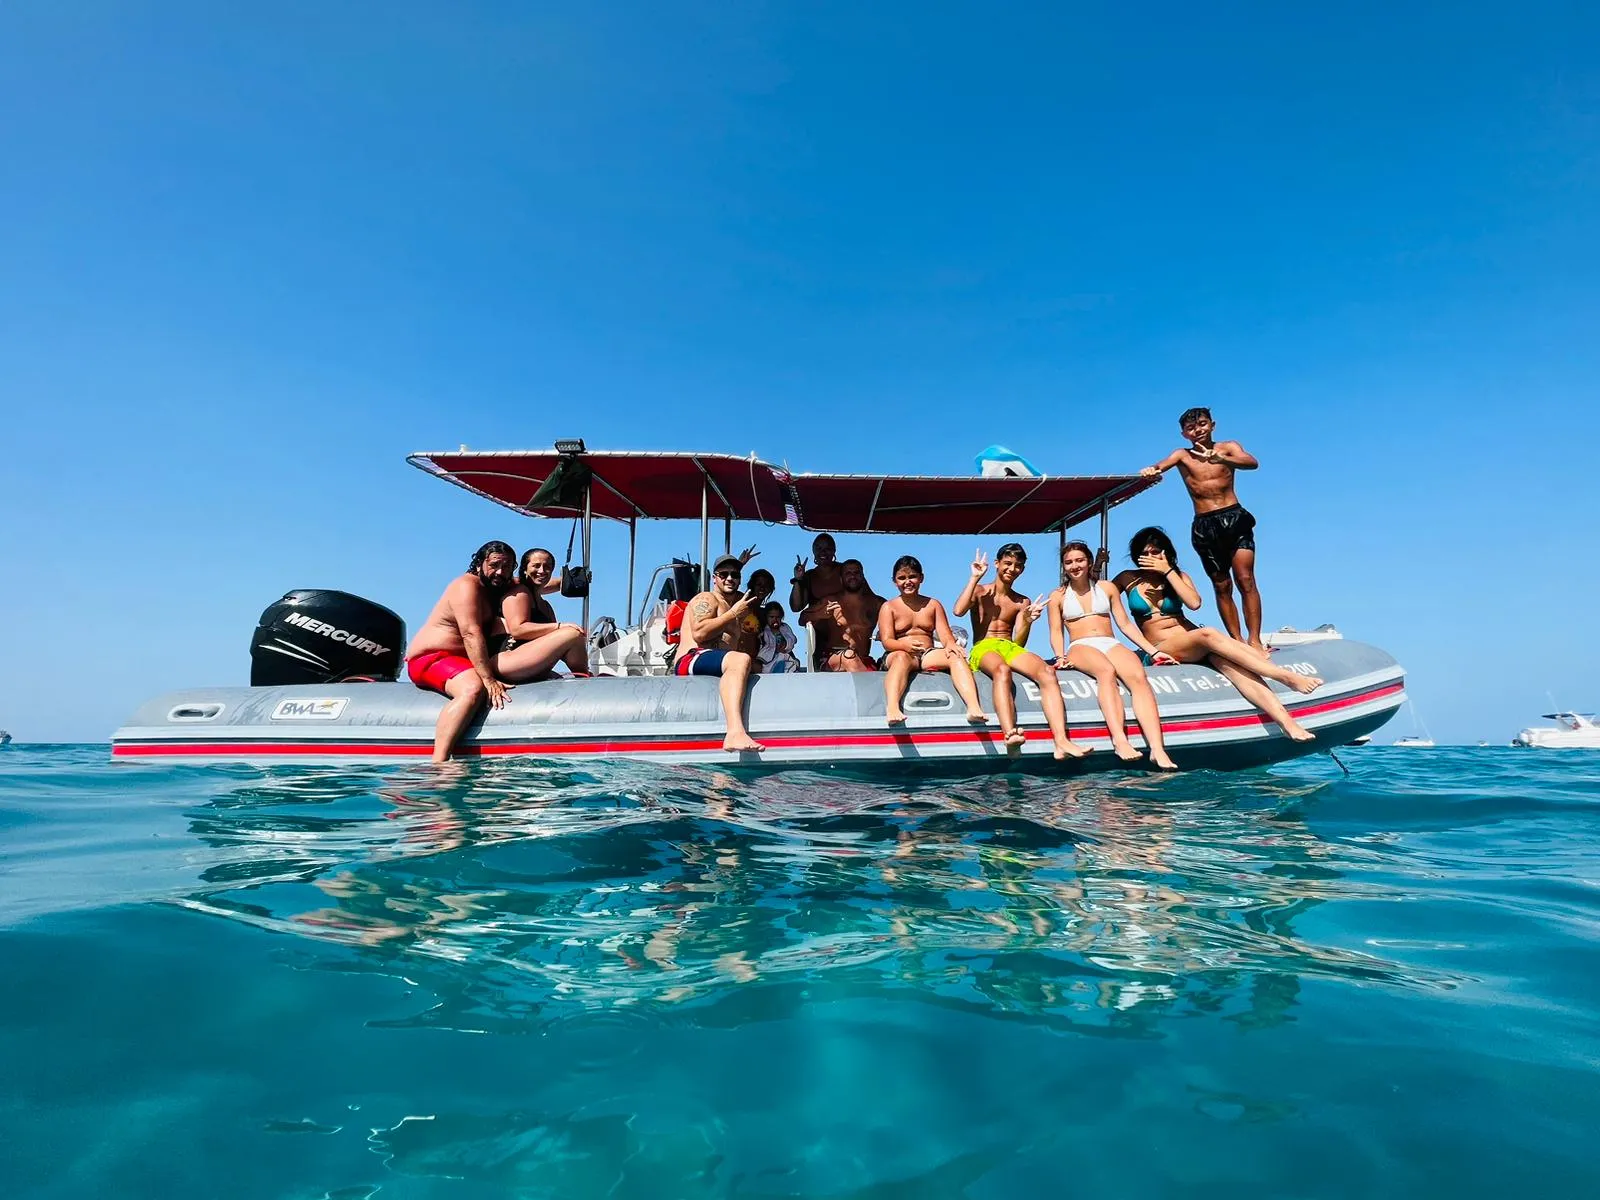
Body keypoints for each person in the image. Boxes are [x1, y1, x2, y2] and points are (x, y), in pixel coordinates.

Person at [1113, 527, 1323, 742]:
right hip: (1163, 646)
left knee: (1237, 671)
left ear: (1166, 553)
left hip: (1195, 641)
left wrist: (1167, 572)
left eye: (1156, 552)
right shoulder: (1127, 579)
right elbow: (1099, 594)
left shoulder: (1178, 576)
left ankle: (1289, 725)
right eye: (1145, 553)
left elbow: (1194, 603)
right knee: (1208, 633)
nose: (1150, 557)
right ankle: (1284, 676)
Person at [1141, 406, 1269, 650]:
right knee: (1221, 585)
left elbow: (1252, 463)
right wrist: (1150, 470)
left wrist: (1222, 459)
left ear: (1212, 425)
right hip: (1204, 524)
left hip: (1234, 517)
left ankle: (1255, 639)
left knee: (1245, 579)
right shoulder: (1182, 455)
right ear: (1184, 434)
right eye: (1191, 428)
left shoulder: (1228, 447)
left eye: (1201, 424)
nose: (1197, 430)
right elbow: (1159, 466)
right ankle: (1237, 640)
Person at [1046, 540, 1179, 770]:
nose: (1074, 566)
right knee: (1105, 671)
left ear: (1088, 562)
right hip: (1080, 645)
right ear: (1063, 567)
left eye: (1079, 560)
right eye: (1068, 562)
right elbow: (1056, 631)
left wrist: (1154, 651)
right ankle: (1120, 740)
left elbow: (1125, 625)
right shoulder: (1057, 596)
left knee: (1138, 676)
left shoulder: (1107, 588)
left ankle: (1157, 749)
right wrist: (1059, 656)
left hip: (1109, 642)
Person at [953, 543, 1085, 759]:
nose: (1011, 569)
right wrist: (974, 577)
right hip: (983, 646)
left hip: (1009, 646)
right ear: (997, 564)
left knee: (1047, 672)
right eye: (1007, 563)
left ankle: (1061, 741)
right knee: (1002, 670)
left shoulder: (1021, 601)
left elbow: (1019, 643)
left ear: (1022, 569)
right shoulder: (979, 591)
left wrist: (1027, 620)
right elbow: (958, 611)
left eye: (1017, 565)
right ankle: (1010, 734)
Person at [405, 540, 515, 762]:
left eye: (507, 567)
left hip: (461, 661)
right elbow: (470, 633)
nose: (500, 572)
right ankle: (440, 761)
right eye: (494, 565)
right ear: (479, 564)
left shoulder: (497, 585)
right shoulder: (466, 586)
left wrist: (565, 582)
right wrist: (488, 678)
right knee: (472, 690)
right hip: (431, 658)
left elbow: (534, 582)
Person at [877, 555, 988, 726]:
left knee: (955, 656)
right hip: (899, 653)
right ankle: (892, 708)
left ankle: (973, 707)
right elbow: (887, 641)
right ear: (894, 581)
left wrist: (952, 646)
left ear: (921, 578)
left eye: (912, 576)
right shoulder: (889, 607)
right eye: (902, 578)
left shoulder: (933, 604)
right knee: (900, 658)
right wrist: (903, 645)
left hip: (927, 654)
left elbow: (945, 635)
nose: (908, 581)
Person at [676, 553, 766, 753]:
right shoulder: (707, 598)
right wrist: (733, 614)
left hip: (713, 661)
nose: (730, 579)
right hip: (691, 657)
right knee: (740, 659)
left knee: (752, 664)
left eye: (735, 574)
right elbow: (699, 633)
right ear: (714, 578)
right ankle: (734, 732)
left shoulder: (736, 606)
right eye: (723, 574)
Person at [492, 547, 589, 682]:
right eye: (536, 566)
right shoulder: (519, 593)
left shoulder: (547, 607)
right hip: (507, 660)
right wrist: (560, 627)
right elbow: (517, 630)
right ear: (525, 569)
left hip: (532, 661)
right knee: (572, 633)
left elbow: (557, 642)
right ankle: (584, 677)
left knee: (576, 634)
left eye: (547, 567)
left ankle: (583, 676)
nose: (542, 571)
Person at [802, 558, 882, 672]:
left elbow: (896, 619)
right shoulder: (831, 601)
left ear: (863, 577)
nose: (852, 576)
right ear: (841, 579)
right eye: (848, 573)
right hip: (833, 657)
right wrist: (820, 614)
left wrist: (884, 633)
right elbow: (802, 617)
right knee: (849, 657)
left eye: (856, 573)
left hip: (864, 658)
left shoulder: (877, 603)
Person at [789, 533, 842, 614]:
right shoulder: (809, 576)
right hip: (818, 626)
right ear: (813, 551)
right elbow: (796, 607)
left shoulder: (846, 570)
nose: (823, 552)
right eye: (819, 548)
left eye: (827, 548)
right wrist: (798, 579)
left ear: (834, 550)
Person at [758, 602, 802, 674]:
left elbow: (793, 639)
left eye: (778, 617)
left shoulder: (784, 628)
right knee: (767, 669)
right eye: (771, 617)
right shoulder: (764, 630)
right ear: (766, 617)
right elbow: (761, 642)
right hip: (768, 658)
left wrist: (786, 644)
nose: (775, 619)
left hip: (784, 654)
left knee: (790, 664)